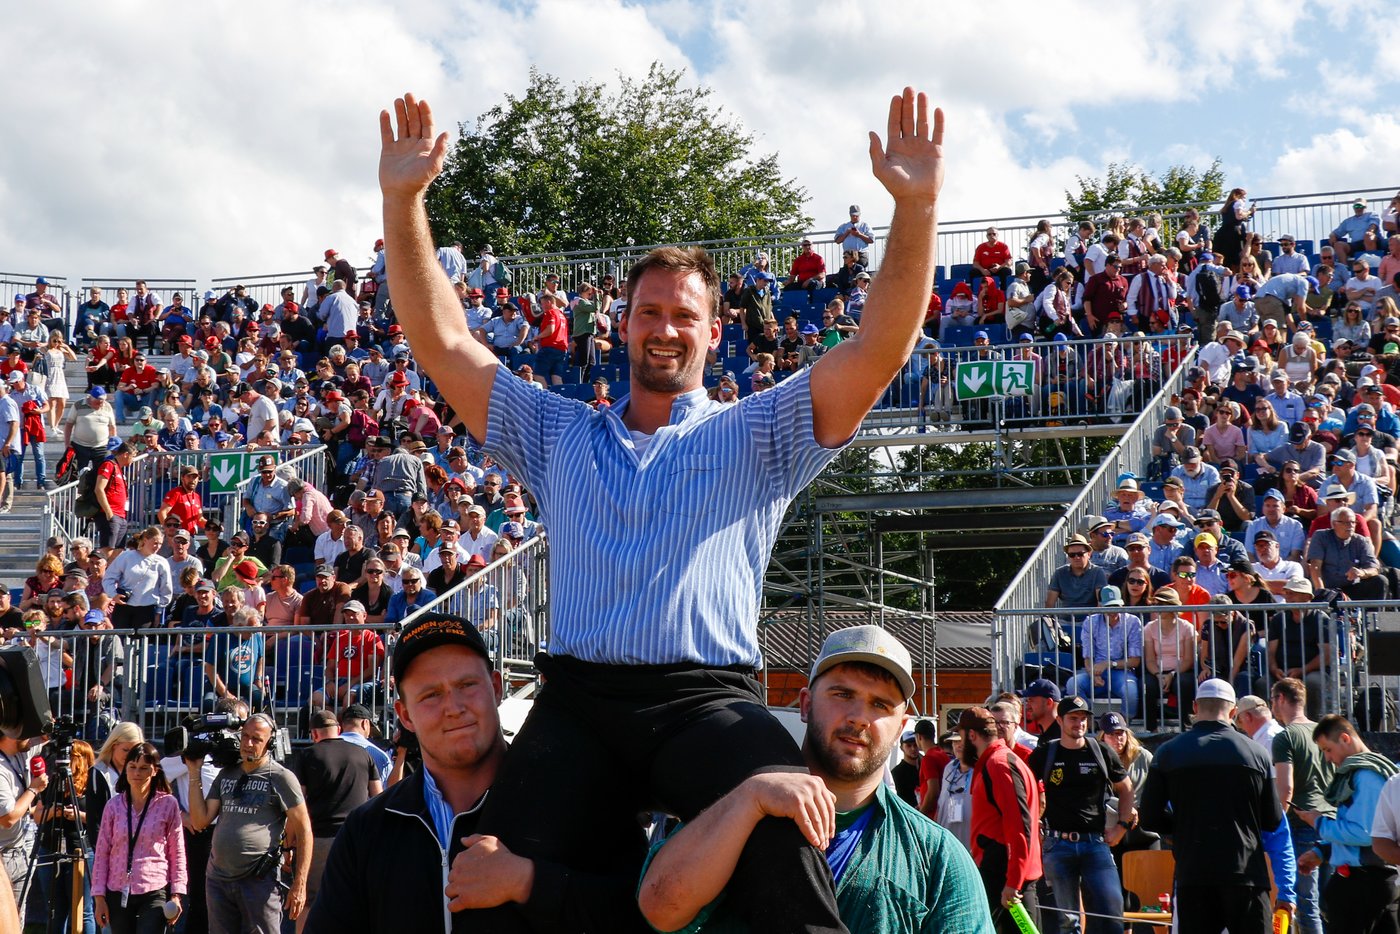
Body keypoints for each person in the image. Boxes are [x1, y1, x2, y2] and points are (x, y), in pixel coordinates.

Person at [378, 86, 946, 934]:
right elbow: (444, 341)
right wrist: (403, 200)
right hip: (577, 701)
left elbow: (876, 347)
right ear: (623, 323)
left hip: (705, 701)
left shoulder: (760, 431)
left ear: (716, 332)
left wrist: (917, 207)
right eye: (650, 311)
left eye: (686, 314)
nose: (666, 328)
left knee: (785, 829)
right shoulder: (557, 431)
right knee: (488, 870)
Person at [636, 625, 992, 933]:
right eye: (843, 694)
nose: (859, 717)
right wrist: (749, 799)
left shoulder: (937, 856)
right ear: (806, 704)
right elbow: (660, 909)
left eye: (880, 704)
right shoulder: (739, 806)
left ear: (901, 728)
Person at [1140, 679, 1283, 932]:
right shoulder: (1256, 753)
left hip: (1193, 871)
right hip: (1245, 871)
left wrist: (1182, 826)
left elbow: (1149, 817)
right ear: (1233, 712)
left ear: (1195, 706)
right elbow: (1272, 818)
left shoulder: (1168, 752)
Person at [185, 713, 312, 934]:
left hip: (258, 881)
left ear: (270, 743)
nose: (248, 744)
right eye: (245, 736)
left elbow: (304, 830)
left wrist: (299, 884)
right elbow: (200, 820)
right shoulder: (226, 775)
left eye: (256, 739)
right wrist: (194, 772)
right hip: (218, 879)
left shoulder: (281, 777)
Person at [1027, 695, 1133, 934]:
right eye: (1073, 718)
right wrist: (1034, 828)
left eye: (1084, 718)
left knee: (1111, 910)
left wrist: (1122, 826)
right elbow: (1025, 791)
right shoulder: (1045, 754)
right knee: (1068, 920)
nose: (1079, 724)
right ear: (1060, 720)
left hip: (1095, 842)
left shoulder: (1100, 751)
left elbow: (1126, 787)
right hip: (1057, 843)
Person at [1294, 715, 1400, 931]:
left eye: (1327, 749)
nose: (1328, 758)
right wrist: (1324, 852)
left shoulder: (1366, 776)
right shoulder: (1366, 772)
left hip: (1363, 885)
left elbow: (1366, 833)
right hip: (1370, 882)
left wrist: (1319, 823)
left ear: (1344, 739)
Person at [291, 710, 381, 934]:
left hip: (318, 839)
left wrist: (289, 843)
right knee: (354, 901)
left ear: (313, 734)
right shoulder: (364, 754)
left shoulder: (307, 755)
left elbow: (298, 804)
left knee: (308, 902)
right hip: (356, 840)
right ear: (338, 730)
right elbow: (378, 797)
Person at [959, 705, 1042, 933]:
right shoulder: (996, 761)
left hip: (1006, 877)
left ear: (972, 735)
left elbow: (1019, 826)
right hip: (1006, 873)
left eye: (962, 736)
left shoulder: (998, 764)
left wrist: (1013, 883)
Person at [92, 742, 187, 934]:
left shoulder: (168, 804)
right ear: (125, 769)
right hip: (117, 888)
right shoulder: (113, 806)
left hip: (154, 886)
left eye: (144, 768)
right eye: (132, 767)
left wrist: (177, 893)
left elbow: (177, 851)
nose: (137, 773)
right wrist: (99, 897)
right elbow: (102, 852)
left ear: (154, 771)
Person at [1067, 587, 1143, 718]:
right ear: (1100, 605)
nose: (1112, 611)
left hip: (1122, 672)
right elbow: (1087, 656)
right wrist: (1093, 674)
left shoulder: (1133, 621)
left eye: (1116, 606)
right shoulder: (1090, 622)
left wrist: (1109, 664)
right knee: (1072, 684)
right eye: (1108, 607)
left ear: (1122, 604)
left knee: (1130, 691)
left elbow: (1135, 661)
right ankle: (1088, 719)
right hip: (1097, 671)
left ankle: (1124, 726)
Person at [0, 728, 44, 927]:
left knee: (18, 920)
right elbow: (7, 817)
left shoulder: (22, 750)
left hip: (23, 850)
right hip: (3, 856)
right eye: (26, 730)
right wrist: (34, 789)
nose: (31, 738)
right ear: (10, 734)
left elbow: (45, 735)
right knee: (6, 923)